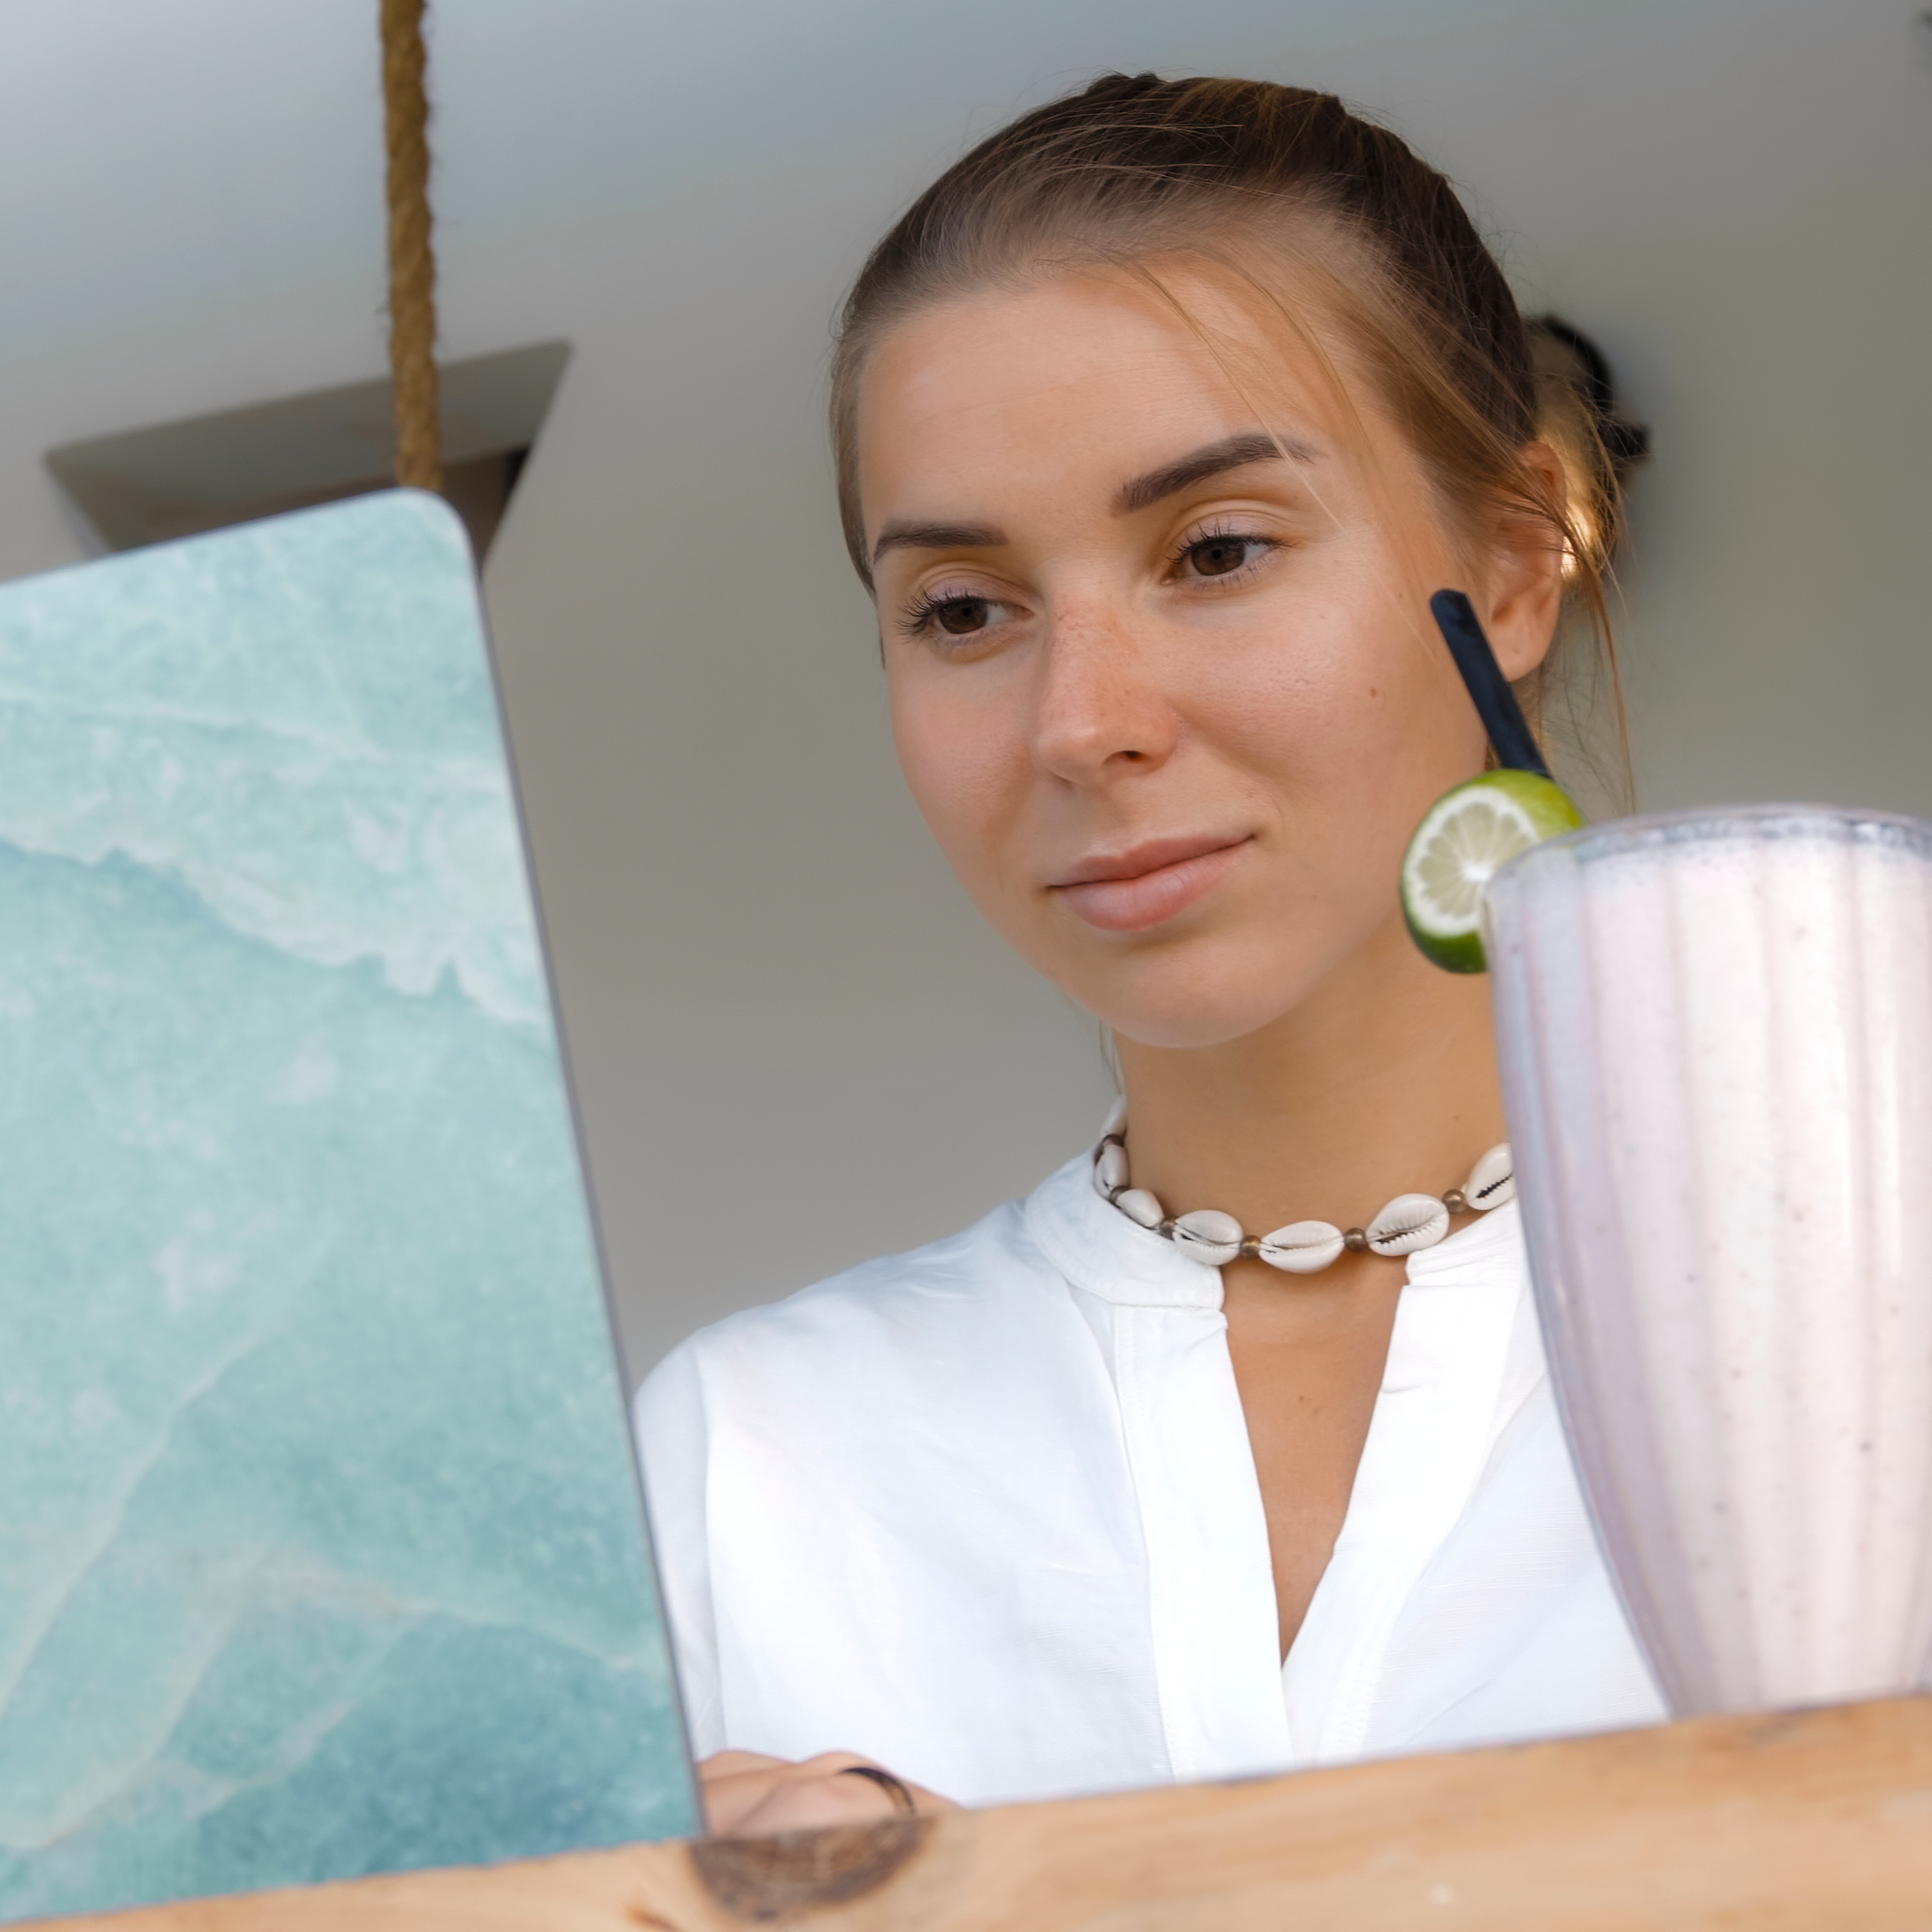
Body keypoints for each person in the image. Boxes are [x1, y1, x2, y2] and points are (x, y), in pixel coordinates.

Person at [636, 71, 1663, 1837]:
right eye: (964, 608)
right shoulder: (753, 1461)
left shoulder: (1864, 1322)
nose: (1081, 722)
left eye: (1216, 550)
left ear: (1509, 569)